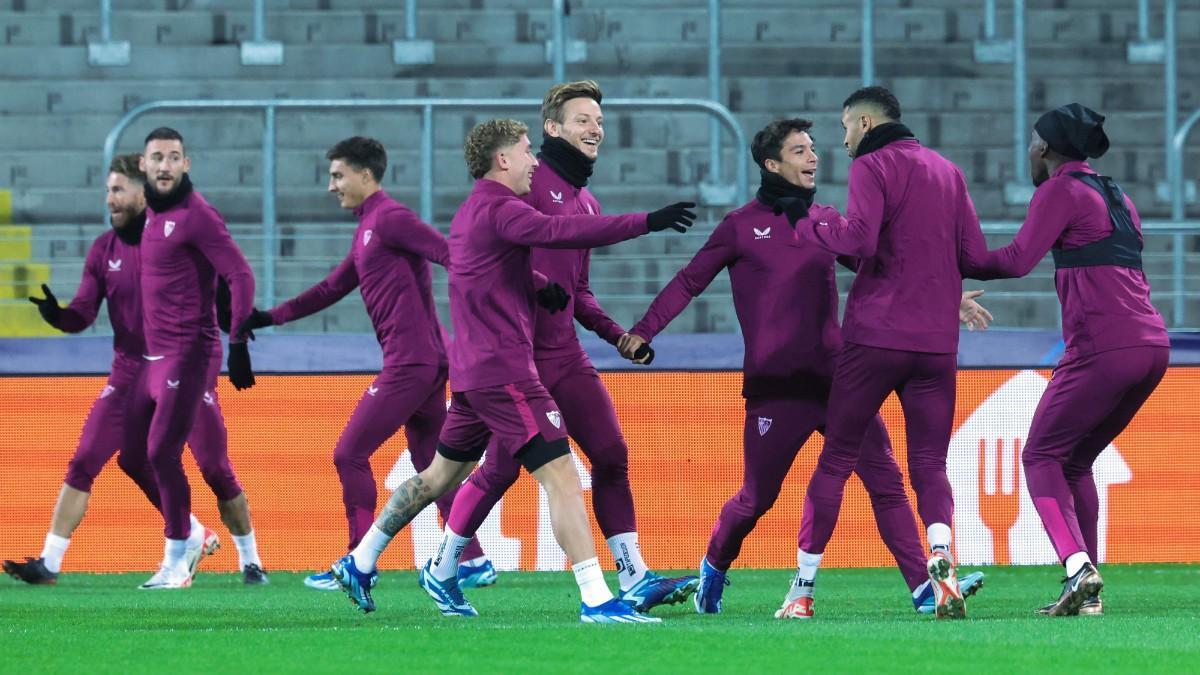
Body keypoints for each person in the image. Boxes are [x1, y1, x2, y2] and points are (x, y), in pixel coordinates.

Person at [325, 118, 695, 623]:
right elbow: (560, 231)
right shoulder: (502, 207)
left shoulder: (473, 210)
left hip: (476, 373)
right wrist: (646, 221)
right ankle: (596, 598)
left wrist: (537, 280)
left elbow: (484, 264)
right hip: (505, 372)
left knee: (436, 476)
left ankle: (361, 559)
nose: (534, 161)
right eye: (525, 151)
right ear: (502, 159)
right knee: (562, 475)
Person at [622, 118, 986, 618]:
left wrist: (946, 298)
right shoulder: (740, 226)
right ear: (773, 164)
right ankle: (714, 566)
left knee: (886, 484)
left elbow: (883, 271)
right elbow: (689, 281)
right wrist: (644, 330)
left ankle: (925, 589)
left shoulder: (830, 222)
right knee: (756, 499)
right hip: (777, 388)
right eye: (800, 151)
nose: (814, 157)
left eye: (813, 149)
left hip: (840, 379)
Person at [422, 81, 697, 614]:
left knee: (612, 455)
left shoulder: (586, 200)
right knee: (500, 470)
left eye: (599, 119)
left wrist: (618, 335)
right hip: (517, 359)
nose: (596, 127)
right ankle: (444, 564)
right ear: (552, 128)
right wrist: (644, 223)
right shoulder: (524, 183)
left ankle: (634, 574)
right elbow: (509, 253)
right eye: (583, 119)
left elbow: (578, 292)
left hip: (564, 354)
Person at [236, 136, 494, 591]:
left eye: (337, 176)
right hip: (425, 362)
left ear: (365, 175)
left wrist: (523, 282)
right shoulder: (368, 228)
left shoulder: (391, 218)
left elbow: (452, 254)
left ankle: (358, 561)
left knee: (349, 453)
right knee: (430, 463)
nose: (331, 186)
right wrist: (268, 317)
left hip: (412, 363)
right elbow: (331, 288)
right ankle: (471, 560)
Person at [4, 154, 266, 587]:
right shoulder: (104, 250)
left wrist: (234, 324)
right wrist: (58, 315)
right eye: (108, 190)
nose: (110, 199)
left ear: (144, 194)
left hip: (185, 361)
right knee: (92, 458)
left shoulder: (175, 238)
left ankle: (250, 559)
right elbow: (84, 313)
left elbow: (222, 281)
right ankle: (50, 562)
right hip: (129, 370)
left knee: (213, 466)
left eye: (118, 189)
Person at [786, 87, 990, 618]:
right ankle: (941, 554)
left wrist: (814, 222)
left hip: (875, 338)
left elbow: (859, 241)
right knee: (929, 462)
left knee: (835, 461)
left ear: (867, 122)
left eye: (845, 127)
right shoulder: (948, 171)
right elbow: (971, 253)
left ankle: (802, 592)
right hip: (935, 343)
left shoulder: (872, 165)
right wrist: (947, 292)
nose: (844, 140)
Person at [962, 104, 1169, 616]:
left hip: (1103, 346)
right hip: (1152, 346)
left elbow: (1015, 261)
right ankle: (1086, 592)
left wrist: (951, 260)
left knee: (1039, 457)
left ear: (1047, 149)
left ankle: (1078, 568)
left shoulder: (1060, 190)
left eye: (1033, 143)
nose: (1029, 151)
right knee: (1075, 461)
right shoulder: (1118, 194)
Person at [120, 127, 259, 589]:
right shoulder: (151, 219)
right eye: (156, 157)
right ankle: (205, 538)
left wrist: (237, 340)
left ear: (186, 164)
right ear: (143, 164)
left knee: (167, 453)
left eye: (173, 157)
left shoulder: (198, 216)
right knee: (136, 457)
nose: (164, 165)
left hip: (190, 356)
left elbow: (239, 274)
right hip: (153, 360)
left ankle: (185, 560)